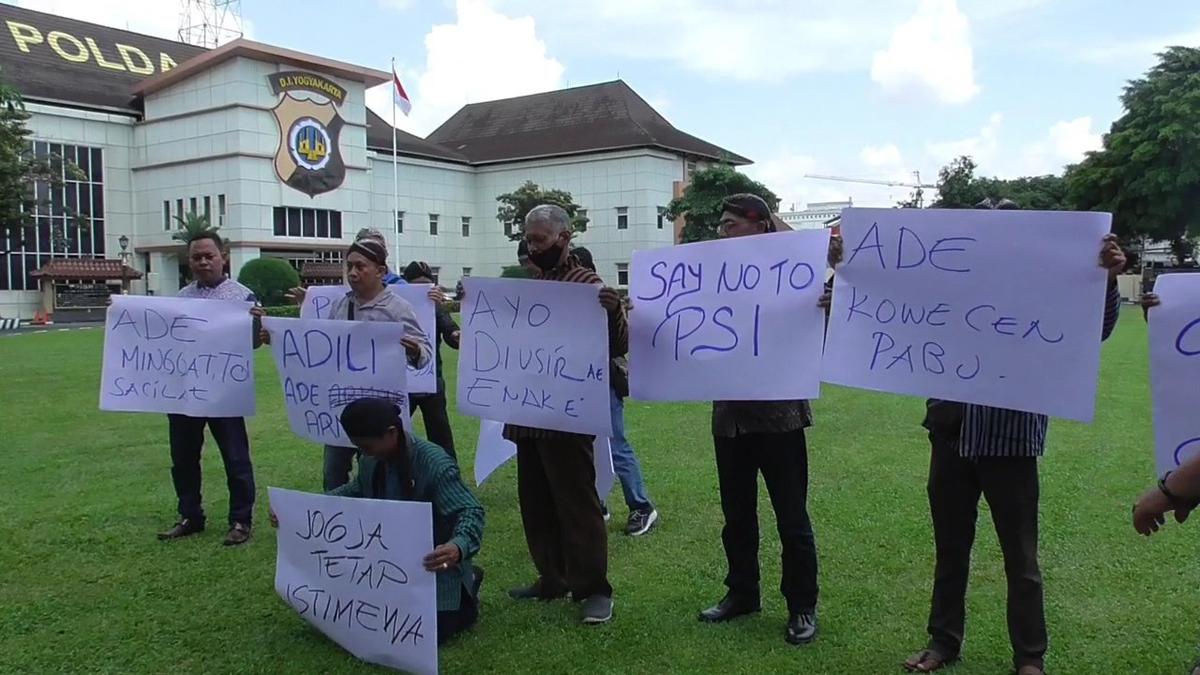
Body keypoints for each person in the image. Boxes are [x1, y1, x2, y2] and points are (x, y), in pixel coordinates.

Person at [903, 197, 1126, 675]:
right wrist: (849, 268)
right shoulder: (949, 283)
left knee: (1021, 559)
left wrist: (1106, 279)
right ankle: (943, 642)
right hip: (951, 435)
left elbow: (1094, 329)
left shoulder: (1044, 289)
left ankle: (1030, 657)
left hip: (1011, 441)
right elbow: (894, 301)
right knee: (950, 550)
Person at [696, 193, 822, 646]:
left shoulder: (793, 273)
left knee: (791, 517)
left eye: (730, 224)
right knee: (737, 515)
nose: (721, 232)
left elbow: (829, 260)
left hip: (779, 418)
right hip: (730, 417)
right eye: (721, 224)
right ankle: (742, 592)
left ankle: (802, 606)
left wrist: (822, 300)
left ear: (760, 226)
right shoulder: (711, 275)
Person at [500, 204, 627, 625]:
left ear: (564, 238)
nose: (532, 246)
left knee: (577, 504)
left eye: (539, 238)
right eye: (528, 238)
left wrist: (612, 312)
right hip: (526, 413)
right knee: (535, 502)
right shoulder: (525, 285)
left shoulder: (586, 284)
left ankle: (593, 588)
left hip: (568, 415)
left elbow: (616, 345)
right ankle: (552, 576)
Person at [270, 397, 485, 644]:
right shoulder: (370, 460)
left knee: (425, 633)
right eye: (358, 447)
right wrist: (299, 510)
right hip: (389, 564)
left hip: (432, 565)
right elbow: (356, 490)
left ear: (391, 433)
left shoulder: (435, 463)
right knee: (354, 621)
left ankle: (467, 586)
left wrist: (457, 547)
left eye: (367, 446)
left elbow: (470, 511)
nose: (363, 453)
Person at [270, 239, 433, 491]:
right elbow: (322, 346)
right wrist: (278, 338)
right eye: (350, 267)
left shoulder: (398, 309)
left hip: (378, 409)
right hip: (340, 406)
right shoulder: (341, 304)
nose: (353, 273)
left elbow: (425, 355)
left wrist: (415, 350)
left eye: (360, 266)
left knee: (376, 470)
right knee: (333, 470)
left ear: (380, 271)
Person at [158, 231, 263, 546]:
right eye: (196, 257)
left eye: (209, 256)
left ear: (223, 257)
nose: (203, 262)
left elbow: (253, 344)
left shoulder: (242, 297)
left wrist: (258, 325)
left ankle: (241, 520)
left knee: (235, 457)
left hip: (224, 391)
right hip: (186, 391)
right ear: (189, 261)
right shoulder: (180, 299)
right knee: (183, 458)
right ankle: (190, 515)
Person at [572, 245, 659, 536]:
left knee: (615, 445)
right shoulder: (558, 298)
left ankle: (641, 506)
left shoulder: (603, 300)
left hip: (602, 381)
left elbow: (620, 342)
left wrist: (613, 311)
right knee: (582, 448)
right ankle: (597, 502)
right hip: (571, 383)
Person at [401, 260, 461, 460]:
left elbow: (450, 330)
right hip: (402, 382)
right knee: (394, 431)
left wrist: (456, 334)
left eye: (427, 284)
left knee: (441, 435)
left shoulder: (435, 306)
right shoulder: (394, 305)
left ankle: (449, 477)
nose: (422, 290)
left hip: (431, 380)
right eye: (416, 285)